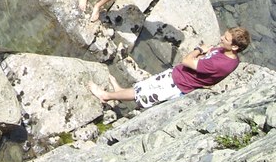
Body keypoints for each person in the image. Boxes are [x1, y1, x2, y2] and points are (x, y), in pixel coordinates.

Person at [88, 28, 250, 109]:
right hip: (178, 76)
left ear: (234, 46)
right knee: (143, 86)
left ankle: (106, 96)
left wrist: (199, 49)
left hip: (179, 83)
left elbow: (186, 60)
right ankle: (120, 92)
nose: (222, 37)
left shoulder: (220, 63)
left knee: (142, 94)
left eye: (226, 38)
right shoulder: (230, 57)